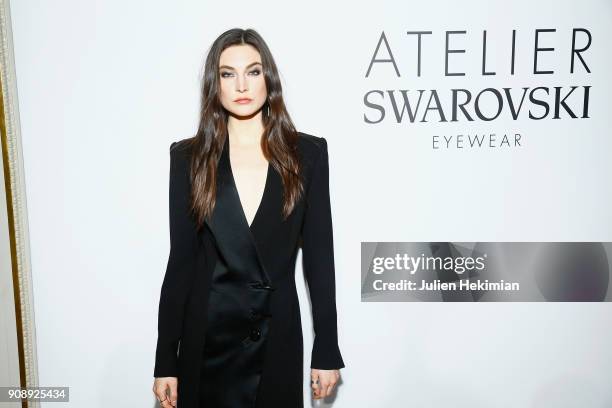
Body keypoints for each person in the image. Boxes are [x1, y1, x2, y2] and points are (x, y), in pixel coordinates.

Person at [151, 28, 345, 407]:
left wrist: (327, 348)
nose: (241, 84)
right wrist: (164, 361)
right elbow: (181, 264)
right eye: (227, 73)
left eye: (253, 71)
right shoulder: (188, 159)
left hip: (277, 338)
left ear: (267, 79)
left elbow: (320, 261)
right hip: (206, 338)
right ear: (215, 84)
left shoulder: (306, 154)